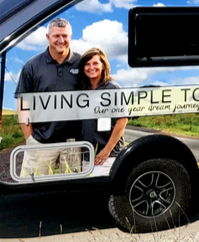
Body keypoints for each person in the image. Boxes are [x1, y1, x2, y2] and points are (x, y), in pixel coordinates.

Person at [15, 18, 82, 176]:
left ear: (71, 36)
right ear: (48, 37)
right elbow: (23, 102)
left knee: (71, 192)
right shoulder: (32, 66)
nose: (61, 40)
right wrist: (30, 138)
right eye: (56, 36)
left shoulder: (82, 63)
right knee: (34, 191)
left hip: (73, 145)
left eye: (65, 36)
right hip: (41, 143)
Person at [76, 47, 127, 176]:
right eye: (87, 64)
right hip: (87, 154)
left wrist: (107, 150)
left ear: (103, 66)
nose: (91, 67)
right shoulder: (83, 90)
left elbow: (122, 120)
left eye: (95, 63)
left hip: (107, 155)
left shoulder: (112, 88)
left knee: (101, 191)